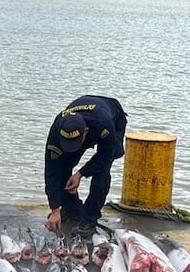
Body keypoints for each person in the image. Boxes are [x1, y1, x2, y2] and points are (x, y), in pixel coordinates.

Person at [44, 95, 127, 237]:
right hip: (88, 115)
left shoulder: (103, 125)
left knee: (101, 172)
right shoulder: (57, 129)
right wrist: (55, 209)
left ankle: (90, 218)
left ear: (86, 132)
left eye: (75, 143)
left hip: (113, 118)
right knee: (62, 166)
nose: (72, 148)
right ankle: (72, 209)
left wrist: (80, 174)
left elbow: (104, 157)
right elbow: (51, 170)